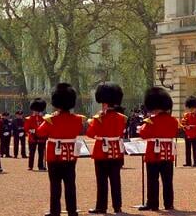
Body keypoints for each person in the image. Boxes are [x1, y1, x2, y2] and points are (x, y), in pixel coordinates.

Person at [41, 83, 85, 216]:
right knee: (70, 184)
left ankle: (55, 211)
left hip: (54, 156)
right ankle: (72, 210)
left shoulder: (51, 119)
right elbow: (79, 131)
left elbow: (40, 132)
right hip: (70, 155)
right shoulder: (77, 119)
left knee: (55, 186)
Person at [134, 87, 178, 212]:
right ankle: (168, 204)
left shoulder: (151, 121)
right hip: (168, 154)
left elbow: (143, 134)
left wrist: (143, 125)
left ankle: (153, 204)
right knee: (167, 181)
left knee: (153, 180)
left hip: (153, 154)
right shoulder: (173, 120)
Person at [87, 84, 127, 214]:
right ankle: (117, 206)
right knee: (116, 181)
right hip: (115, 152)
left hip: (101, 153)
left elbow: (90, 134)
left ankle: (101, 206)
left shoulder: (99, 118)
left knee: (102, 182)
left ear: (104, 103)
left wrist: (94, 122)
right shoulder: (121, 118)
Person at [25, 99, 48, 171]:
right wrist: (34, 132)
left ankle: (40, 166)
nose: (36, 112)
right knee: (31, 153)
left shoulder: (43, 119)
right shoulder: (29, 119)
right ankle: (30, 166)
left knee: (41, 153)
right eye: (35, 110)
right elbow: (27, 129)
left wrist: (43, 134)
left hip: (41, 138)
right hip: (32, 138)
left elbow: (46, 128)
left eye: (38, 110)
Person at [180, 97, 196, 168]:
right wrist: (185, 126)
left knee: (195, 149)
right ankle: (188, 162)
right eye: (190, 108)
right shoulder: (186, 115)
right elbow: (183, 123)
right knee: (188, 149)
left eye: (193, 108)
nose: (192, 109)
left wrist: (191, 127)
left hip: (194, 134)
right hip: (187, 134)